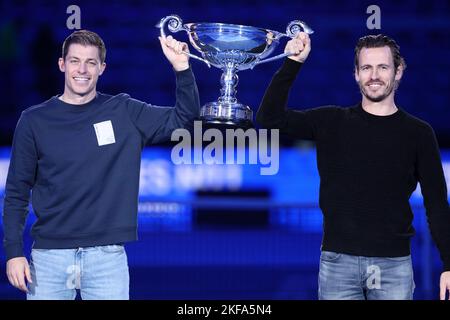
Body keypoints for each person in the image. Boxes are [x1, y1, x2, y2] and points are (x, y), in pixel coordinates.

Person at [2, 29, 200, 299]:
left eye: (91, 62)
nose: (82, 69)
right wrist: (14, 253)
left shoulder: (124, 111)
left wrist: (182, 68)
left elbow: (184, 119)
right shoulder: (33, 121)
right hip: (49, 259)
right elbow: (16, 192)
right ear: (62, 64)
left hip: (107, 259)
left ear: (102, 68)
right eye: (74, 61)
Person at [256, 33, 450, 300]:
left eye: (383, 67)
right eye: (366, 68)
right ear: (356, 74)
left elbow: (437, 204)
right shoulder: (331, 121)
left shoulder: (419, 133)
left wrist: (449, 265)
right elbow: (268, 119)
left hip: (394, 266)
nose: (374, 75)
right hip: (338, 265)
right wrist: (293, 62)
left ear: (399, 71)